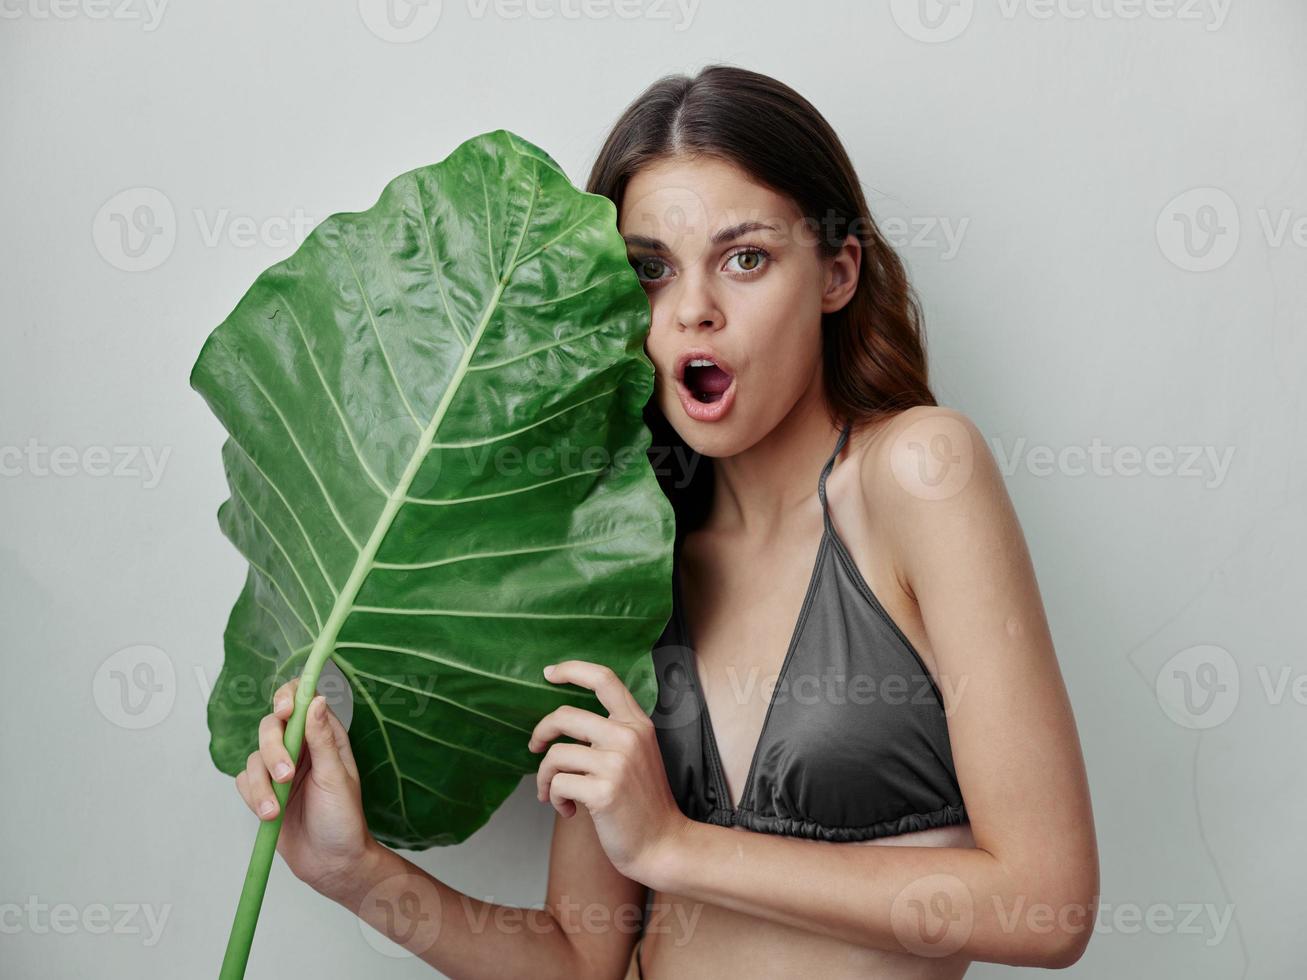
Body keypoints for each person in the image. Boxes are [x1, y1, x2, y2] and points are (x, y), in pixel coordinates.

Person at [234, 64, 1098, 978]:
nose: (693, 310)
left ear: (838, 271)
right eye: (650, 270)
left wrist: (674, 847)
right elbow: (581, 958)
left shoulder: (920, 473)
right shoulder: (618, 556)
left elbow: (1045, 906)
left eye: (745, 258)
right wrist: (356, 873)